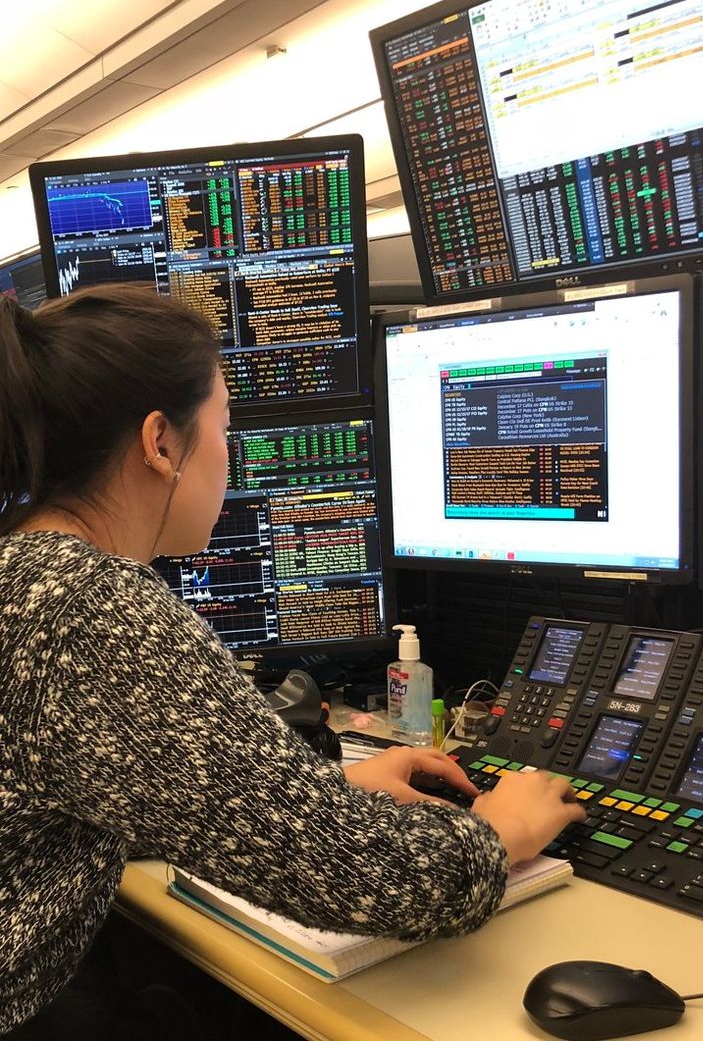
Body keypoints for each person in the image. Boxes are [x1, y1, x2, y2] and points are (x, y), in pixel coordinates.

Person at [0, 283, 585, 1036]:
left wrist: (319, 792)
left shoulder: (25, 574)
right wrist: (502, 831)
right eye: (223, 429)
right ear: (160, 443)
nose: (229, 458)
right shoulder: (91, 608)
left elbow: (74, 793)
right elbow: (362, 882)